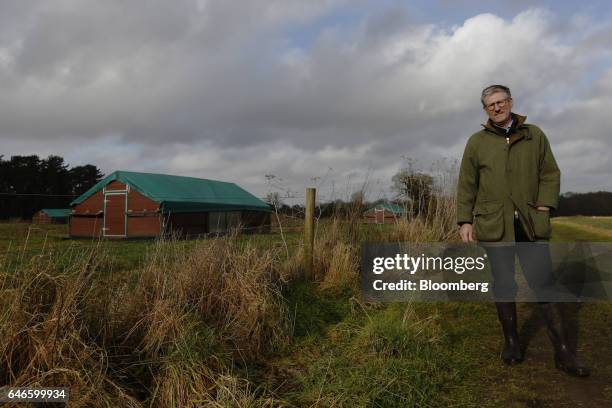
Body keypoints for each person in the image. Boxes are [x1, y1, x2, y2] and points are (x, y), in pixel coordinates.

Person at [456, 84, 589, 377]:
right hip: (494, 224)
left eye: (501, 102)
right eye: (490, 105)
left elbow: (550, 173)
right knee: (504, 285)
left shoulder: (535, 135)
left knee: (544, 284)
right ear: (485, 110)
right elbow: (467, 183)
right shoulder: (476, 142)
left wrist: (544, 207)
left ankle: (564, 352)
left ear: (511, 102)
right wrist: (464, 220)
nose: (497, 108)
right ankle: (512, 343)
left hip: (531, 223)